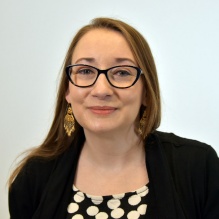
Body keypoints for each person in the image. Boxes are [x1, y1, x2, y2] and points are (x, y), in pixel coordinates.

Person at [8, 17, 219, 219]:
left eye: (122, 72)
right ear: (68, 90)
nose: (101, 90)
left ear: (146, 91)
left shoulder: (198, 166)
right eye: (85, 70)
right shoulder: (34, 177)